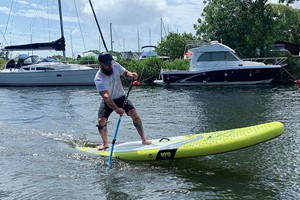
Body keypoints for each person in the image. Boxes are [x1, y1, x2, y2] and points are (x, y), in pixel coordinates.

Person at [94, 52, 152, 151]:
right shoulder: (99, 79)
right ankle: (105, 144)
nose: (110, 66)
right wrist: (116, 109)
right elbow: (106, 97)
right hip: (108, 100)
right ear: (101, 64)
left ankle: (143, 139)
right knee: (101, 121)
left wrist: (131, 75)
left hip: (121, 97)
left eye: (110, 63)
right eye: (107, 64)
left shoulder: (115, 66)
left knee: (134, 113)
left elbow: (126, 73)